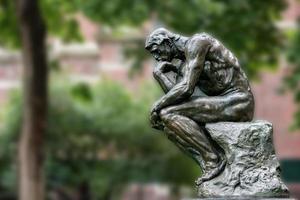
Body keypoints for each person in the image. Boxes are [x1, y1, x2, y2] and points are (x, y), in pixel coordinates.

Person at [145, 28, 254, 184]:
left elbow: (186, 88)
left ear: (166, 41)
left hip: (239, 101)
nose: (156, 57)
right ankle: (210, 160)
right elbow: (179, 96)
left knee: (167, 113)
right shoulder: (185, 64)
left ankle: (213, 160)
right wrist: (160, 75)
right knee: (169, 122)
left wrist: (156, 106)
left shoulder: (198, 43)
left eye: (156, 51)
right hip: (223, 102)